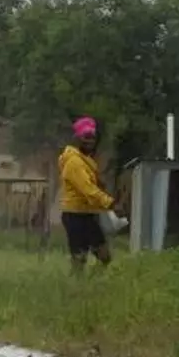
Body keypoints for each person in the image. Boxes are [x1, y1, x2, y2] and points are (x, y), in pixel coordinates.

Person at [58, 116, 119, 273]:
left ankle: (92, 284)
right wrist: (109, 203)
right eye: (85, 137)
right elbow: (87, 190)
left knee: (105, 256)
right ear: (76, 138)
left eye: (92, 137)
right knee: (79, 258)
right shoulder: (74, 162)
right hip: (75, 215)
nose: (89, 141)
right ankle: (77, 289)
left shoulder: (86, 161)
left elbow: (92, 186)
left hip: (88, 214)